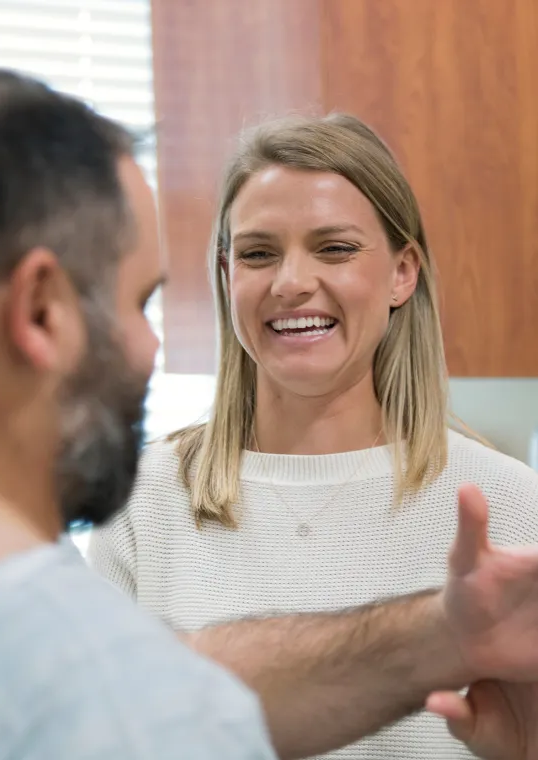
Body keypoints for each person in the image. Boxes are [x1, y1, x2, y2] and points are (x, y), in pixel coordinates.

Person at [0, 70, 535, 760]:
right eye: (138, 300)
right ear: (39, 309)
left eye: (334, 248)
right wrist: (444, 637)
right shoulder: (10, 618)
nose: (151, 341)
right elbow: (159, 701)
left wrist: (447, 636)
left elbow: (168, 690)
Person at [88, 113, 538, 759]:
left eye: (335, 248)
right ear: (226, 275)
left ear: (401, 274)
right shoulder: (145, 501)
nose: (291, 282)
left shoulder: (508, 506)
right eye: (258, 253)